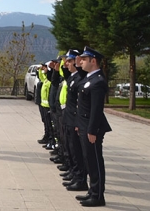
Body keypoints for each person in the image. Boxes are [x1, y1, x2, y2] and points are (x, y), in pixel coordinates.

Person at [76, 46, 111, 207]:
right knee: (89, 160)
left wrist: (91, 130)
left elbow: (97, 109)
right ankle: (92, 191)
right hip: (84, 125)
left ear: (93, 61)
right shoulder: (89, 78)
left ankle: (98, 196)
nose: (81, 61)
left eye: (84, 59)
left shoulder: (98, 81)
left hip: (92, 128)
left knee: (95, 161)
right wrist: (79, 125)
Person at [61, 49, 89, 192]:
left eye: (69, 61)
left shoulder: (79, 77)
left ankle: (80, 178)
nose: (66, 63)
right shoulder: (72, 77)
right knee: (71, 148)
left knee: (77, 150)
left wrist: (78, 65)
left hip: (74, 118)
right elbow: (63, 72)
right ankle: (74, 173)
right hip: (68, 117)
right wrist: (65, 65)